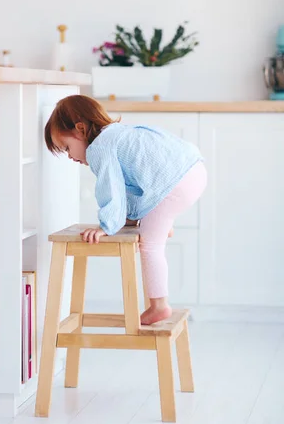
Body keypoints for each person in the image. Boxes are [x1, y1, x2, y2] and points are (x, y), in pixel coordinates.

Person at [44, 95, 207, 325]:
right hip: (193, 169)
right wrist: (128, 218)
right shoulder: (118, 133)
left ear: (80, 130)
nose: (70, 157)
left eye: (67, 148)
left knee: (150, 245)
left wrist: (107, 225)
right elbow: (131, 184)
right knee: (153, 213)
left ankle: (159, 305)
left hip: (174, 182)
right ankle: (161, 224)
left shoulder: (99, 148)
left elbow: (111, 189)